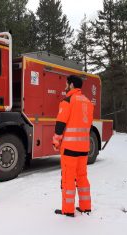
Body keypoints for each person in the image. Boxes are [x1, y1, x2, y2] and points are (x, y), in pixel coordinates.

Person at [52, 75, 94, 217]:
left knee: (68, 178)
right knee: (82, 176)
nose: (65, 86)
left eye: (66, 84)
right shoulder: (88, 102)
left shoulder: (68, 101)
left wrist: (56, 142)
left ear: (71, 85)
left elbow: (60, 124)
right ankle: (85, 206)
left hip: (70, 148)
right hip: (84, 148)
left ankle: (68, 210)